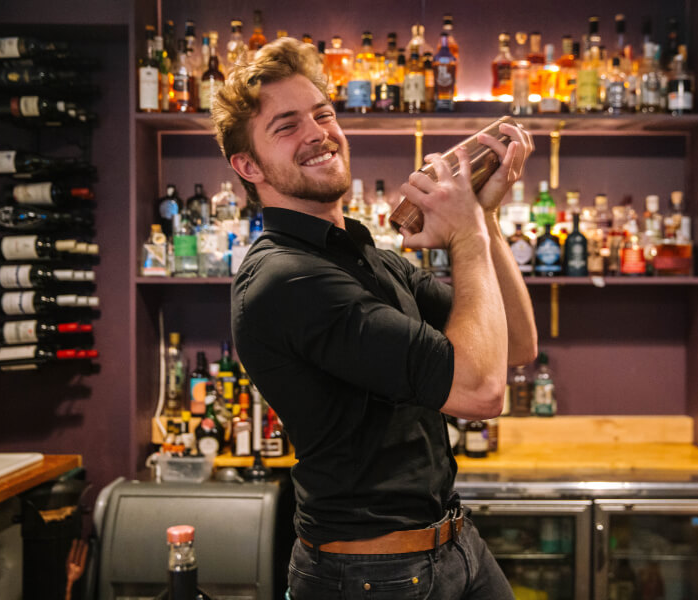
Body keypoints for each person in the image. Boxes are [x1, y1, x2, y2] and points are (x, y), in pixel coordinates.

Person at [212, 37, 537, 600]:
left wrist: (482, 217)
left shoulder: (373, 260)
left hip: (454, 544)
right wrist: (464, 234)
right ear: (247, 165)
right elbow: (481, 392)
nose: (318, 133)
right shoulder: (287, 280)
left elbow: (518, 344)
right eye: (287, 126)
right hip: (371, 574)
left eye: (323, 115)